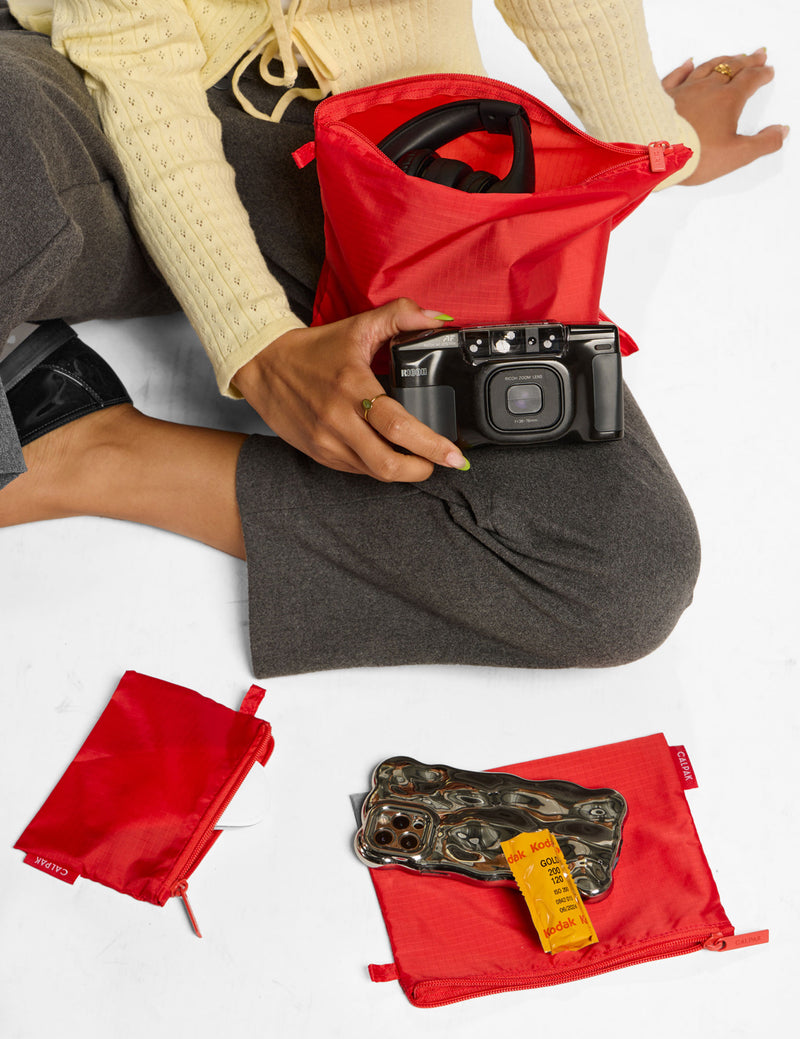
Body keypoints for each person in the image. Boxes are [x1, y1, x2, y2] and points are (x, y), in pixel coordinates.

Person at [0, 1, 787, 676]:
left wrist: (658, 147)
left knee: (619, 570)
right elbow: (131, 57)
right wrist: (257, 343)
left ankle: (82, 451)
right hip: (97, 101)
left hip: (393, 151)